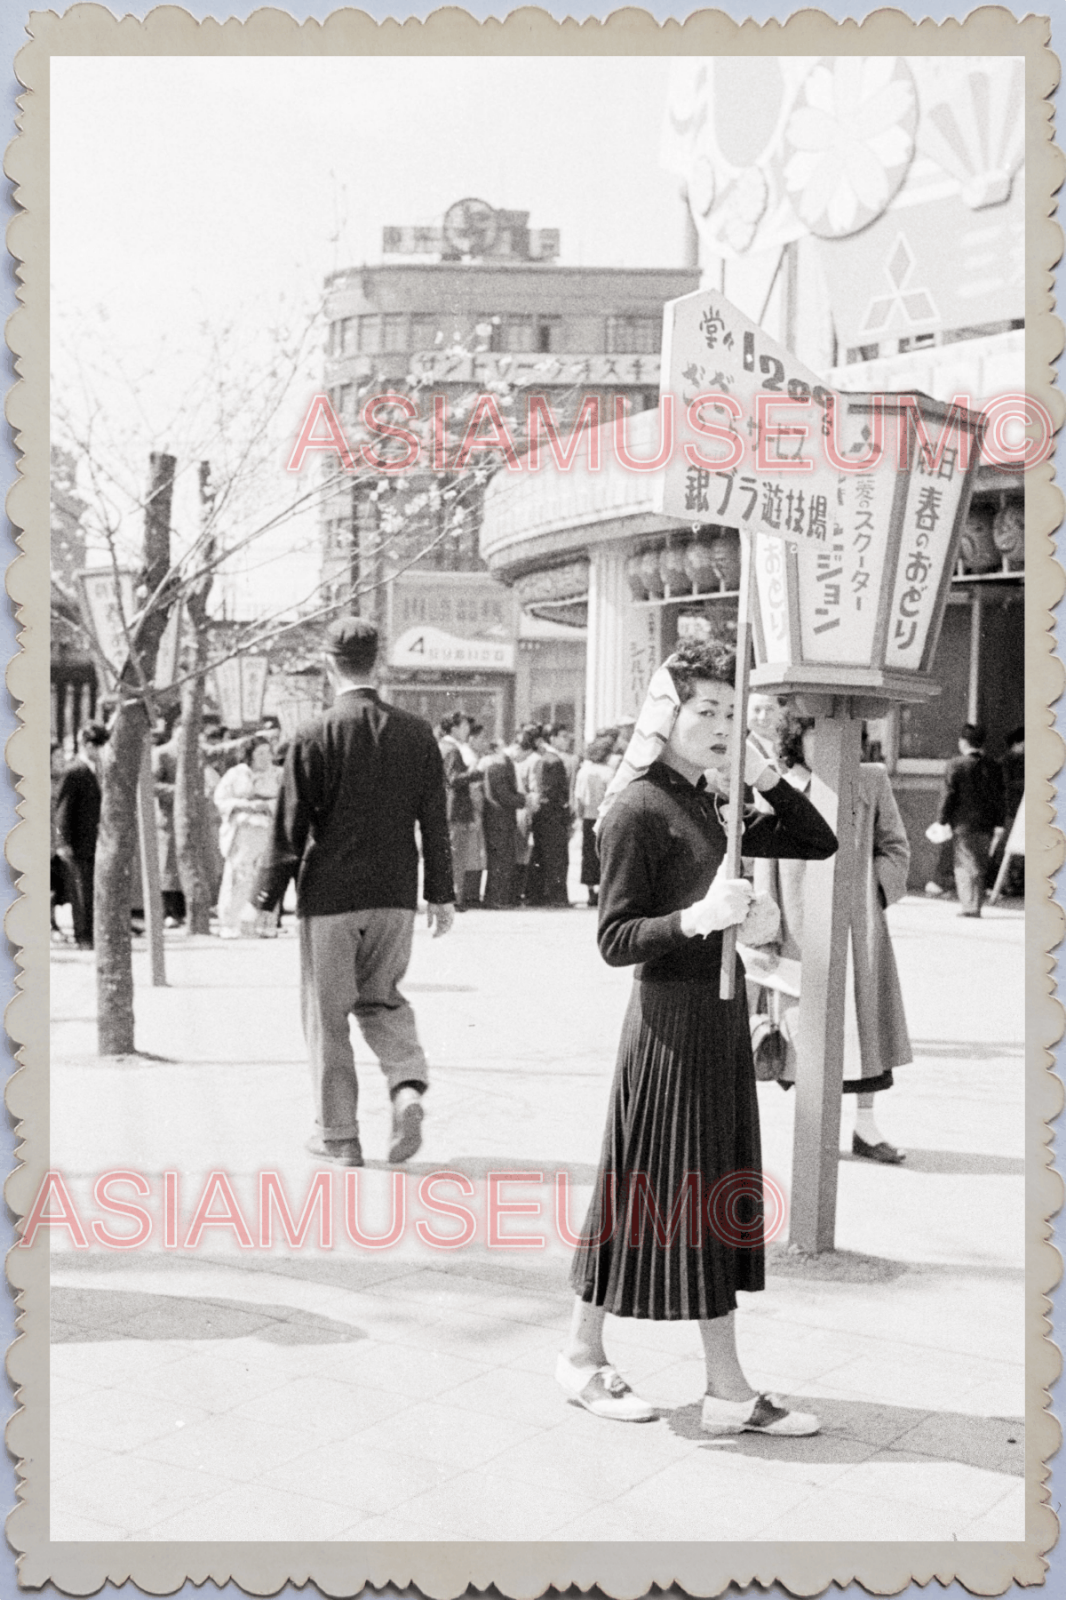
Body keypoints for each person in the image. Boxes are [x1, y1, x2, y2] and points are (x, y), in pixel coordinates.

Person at [558, 642, 837, 1435]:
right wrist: (697, 919)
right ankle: (586, 1358)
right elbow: (614, 939)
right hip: (666, 1022)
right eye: (705, 709)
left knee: (707, 1189)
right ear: (666, 713)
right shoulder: (637, 806)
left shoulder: (715, 801)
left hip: (720, 1017)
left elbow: (819, 842)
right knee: (640, 1189)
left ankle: (723, 1387)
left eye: (730, 711)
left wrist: (761, 775)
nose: (719, 724)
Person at [251, 618, 454, 1167]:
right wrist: (441, 892)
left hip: (330, 898)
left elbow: (288, 825)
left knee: (327, 1016)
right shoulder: (418, 734)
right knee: (383, 1000)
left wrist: (265, 900)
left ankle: (338, 1135)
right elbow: (436, 821)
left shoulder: (313, 734)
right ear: (379, 664)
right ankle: (407, 1085)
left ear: (327, 665)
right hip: (395, 894)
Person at [752, 713, 913, 1164]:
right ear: (794, 739)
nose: (826, 744)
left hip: (858, 930)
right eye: (814, 733)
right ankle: (812, 1131)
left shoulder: (871, 780)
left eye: (841, 734)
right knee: (806, 1032)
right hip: (799, 931)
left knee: (866, 1027)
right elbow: (763, 863)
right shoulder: (778, 787)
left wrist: (872, 893)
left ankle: (866, 1126)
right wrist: (767, 930)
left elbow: (896, 847)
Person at [213, 736, 283, 938]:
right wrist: (246, 805)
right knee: (238, 877)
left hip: (269, 829)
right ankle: (230, 923)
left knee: (268, 877)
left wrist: (267, 806)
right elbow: (221, 798)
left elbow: (288, 800)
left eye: (267, 752)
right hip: (243, 831)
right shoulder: (236, 774)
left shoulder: (278, 774)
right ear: (250, 755)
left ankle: (265, 924)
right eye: (259, 753)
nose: (265, 757)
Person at [936, 722, 1006, 917]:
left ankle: (970, 906)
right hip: (987, 825)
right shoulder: (994, 766)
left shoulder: (955, 765)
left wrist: (941, 820)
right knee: (979, 864)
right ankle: (975, 904)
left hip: (963, 824)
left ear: (963, 742)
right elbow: (1000, 797)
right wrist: (1000, 823)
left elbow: (948, 795)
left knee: (965, 865)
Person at [53, 722, 109, 950]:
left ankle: (95, 934)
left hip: (98, 841)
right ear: (87, 745)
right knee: (81, 891)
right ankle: (84, 937)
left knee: (94, 890)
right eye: (98, 746)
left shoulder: (101, 769)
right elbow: (63, 809)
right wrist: (63, 842)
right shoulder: (74, 771)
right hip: (78, 841)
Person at [439, 710, 483, 912]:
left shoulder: (441, 746)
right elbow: (454, 779)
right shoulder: (452, 750)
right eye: (464, 726)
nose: (467, 730)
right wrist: (476, 772)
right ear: (454, 727)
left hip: (445, 808)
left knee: (449, 855)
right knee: (457, 856)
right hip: (456, 809)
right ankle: (454, 897)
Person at [527, 724, 573, 907]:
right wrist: (565, 810)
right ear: (551, 738)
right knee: (557, 858)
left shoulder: (544, 758)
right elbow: (553, 792)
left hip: (544, 816)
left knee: (543, 856)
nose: (567, 740)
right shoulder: (553, 761)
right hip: (553, 815)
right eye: (563, 736)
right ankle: (556, 896)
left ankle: (540, 895)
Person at [481, 733, 526, 908]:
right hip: (500, 819)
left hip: (496, 819)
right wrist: (523, 801)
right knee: (502, 860)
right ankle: (499, 899)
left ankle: (496, 898)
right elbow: (504, 796)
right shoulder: (497, 768)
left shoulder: (491, 766)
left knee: (499, 860)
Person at [573, 731, 617, 908]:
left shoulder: (584, 772)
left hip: (588, 817)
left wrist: (579, 815)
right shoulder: (609, 772)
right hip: (604, 817)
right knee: (604, 854)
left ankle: (590, 891)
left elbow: (578, 797)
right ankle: (602, 891)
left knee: (588, 855)